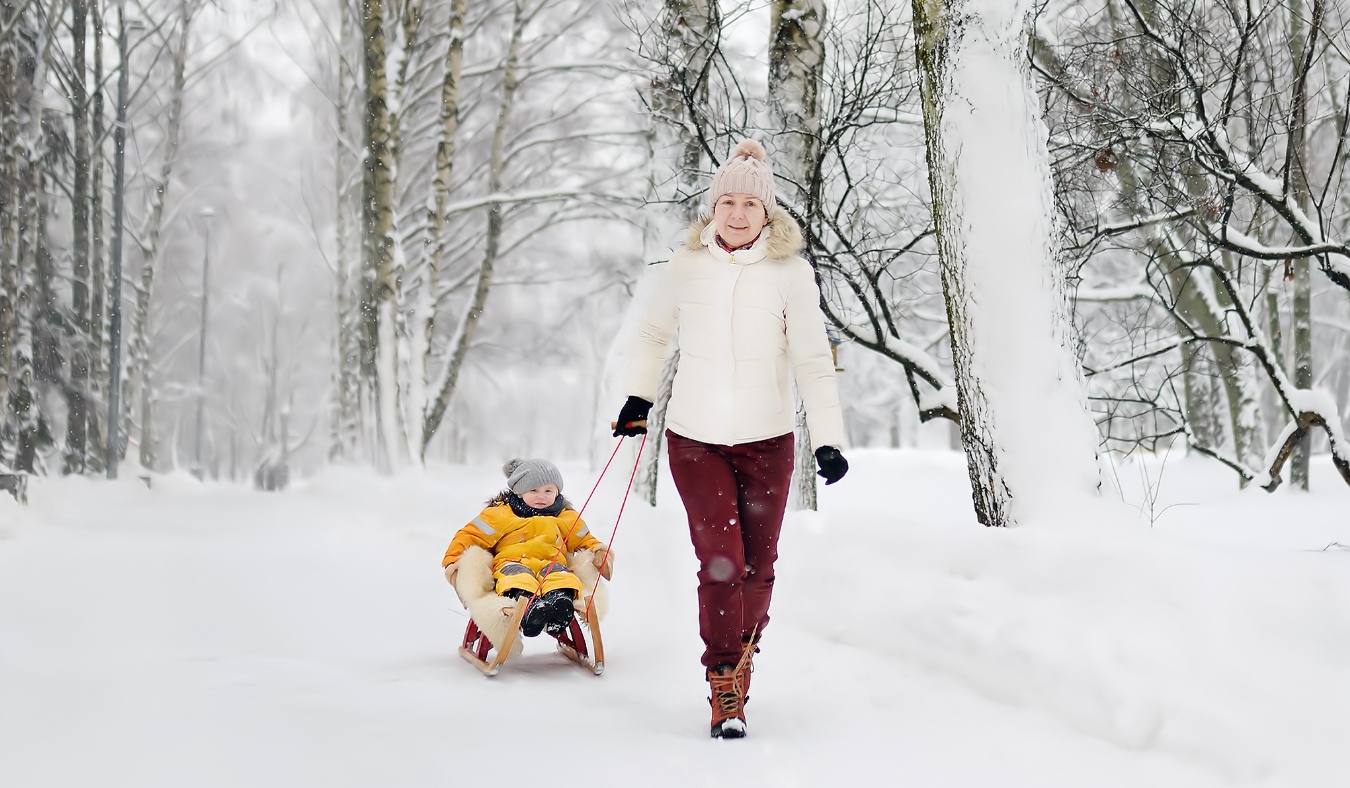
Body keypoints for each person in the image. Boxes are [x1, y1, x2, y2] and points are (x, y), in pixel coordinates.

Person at [613, 139, 849, 739]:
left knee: (760, 566)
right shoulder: (686, 266)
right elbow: (652, 335)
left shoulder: (791, 274)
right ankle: (724, 682)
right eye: (728, 202)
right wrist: (639, 398)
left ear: (768, 213)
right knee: (723, 564)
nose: (738, 213)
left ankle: (741, 659)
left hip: (769, 441)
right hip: (695, 440)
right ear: (712, 208)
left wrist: (829, 439)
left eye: (751, 202)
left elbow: (814, 362)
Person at [442, 459, 613, 639]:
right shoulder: (500, 514)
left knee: (563, 579)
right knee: (518, 579)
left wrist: (599, 552)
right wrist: (453, 562)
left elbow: (585, 540)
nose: (541, 496)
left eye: (548, 491)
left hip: (552, 563)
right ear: (520, 491)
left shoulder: (565, 517)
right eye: (534, 490)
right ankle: (529, 610)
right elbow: (469, 536)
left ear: (557, 492)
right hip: (512, 563)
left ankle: (559, 607)